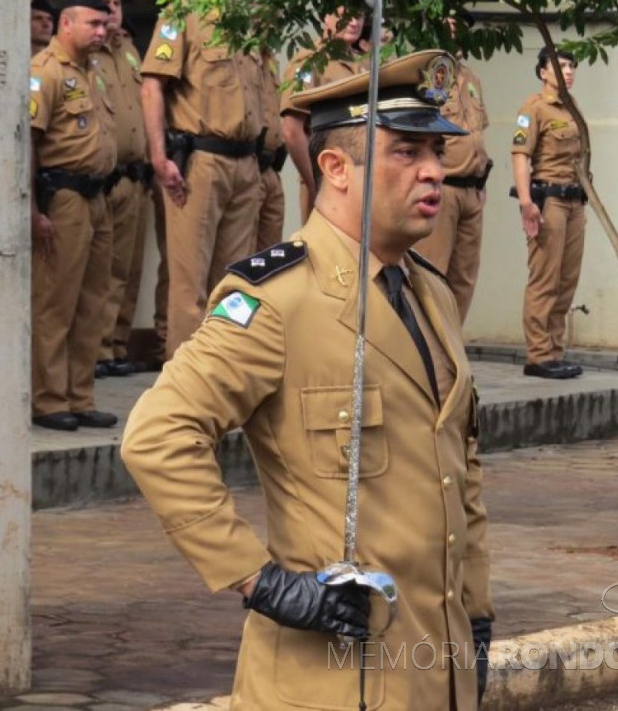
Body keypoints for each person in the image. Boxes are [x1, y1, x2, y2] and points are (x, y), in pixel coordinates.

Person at [122, 50, 493, 711]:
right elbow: (156, 435)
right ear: (335, 168)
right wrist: (260, 582)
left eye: (437, 151)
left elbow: (459, 468)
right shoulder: (275, 299)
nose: (436, 170)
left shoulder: (431, 295)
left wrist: (479, 615)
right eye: (408, 152)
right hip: (330, 681)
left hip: (436, 671)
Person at [140, 0, 264, 359]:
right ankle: (186, 386)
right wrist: (159, 156)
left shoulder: (250, 18)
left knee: (236, 283)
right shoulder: (182, 13)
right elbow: (151, 86)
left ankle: (225, 370)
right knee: (189, 284)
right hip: (201, 162)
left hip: (245, 161)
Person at [29, 0, 118, 431]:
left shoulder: (94, 71)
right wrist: (32, 210)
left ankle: (80, 396)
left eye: (104, 25)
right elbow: (26, 143)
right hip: (61, 197)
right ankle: (48, 400)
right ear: (66, 24)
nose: (102, 31)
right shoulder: (44, 73)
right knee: (55, 302)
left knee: (92, 301)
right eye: (93, 24)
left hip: (98, 197)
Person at [83, 0, 152, 378]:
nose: (111, 12)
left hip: (135, 177)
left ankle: (118, 346)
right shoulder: (87, 55)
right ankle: (98, 349)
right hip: (103, 178)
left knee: (128, 270)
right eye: (104, 5)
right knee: (102, 272)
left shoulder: (128, 50)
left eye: (116, 4)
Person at [511, 47, 587, 380]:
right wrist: (526, 202)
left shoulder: (573, 109)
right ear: (543, 72)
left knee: (566, 280)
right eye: (560, 66)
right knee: (545, 278)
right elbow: (519, 154)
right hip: (550, 200)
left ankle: (555, 352)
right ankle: (539, 354)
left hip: (574, 201)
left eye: (571, 66)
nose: (568, 71)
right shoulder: (533, 109)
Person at [413, 25, 492, 324]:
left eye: (462, 25)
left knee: (465, 276)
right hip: (442, 187)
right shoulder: (430, 75)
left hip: (472, 189)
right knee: (432, 272)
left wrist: (483, 180)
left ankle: (451, 348)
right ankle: (428, 349)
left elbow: (477, 133)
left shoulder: (471, 78)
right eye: (448, 24)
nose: (457, 30)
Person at [280, 8, 365, 220]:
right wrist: (315, 181)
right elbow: (292, 129)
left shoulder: (364, 64)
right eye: (345, 15)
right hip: (328, 176)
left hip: (361, 179)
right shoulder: (310, 61)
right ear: (326, 16)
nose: (354, 22)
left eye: (359, 15)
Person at [254, 46, 286, 250]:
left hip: (272, 167)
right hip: (250, 164)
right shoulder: (243, 53)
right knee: (240, 253)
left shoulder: (271, 60)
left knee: (271, 254)